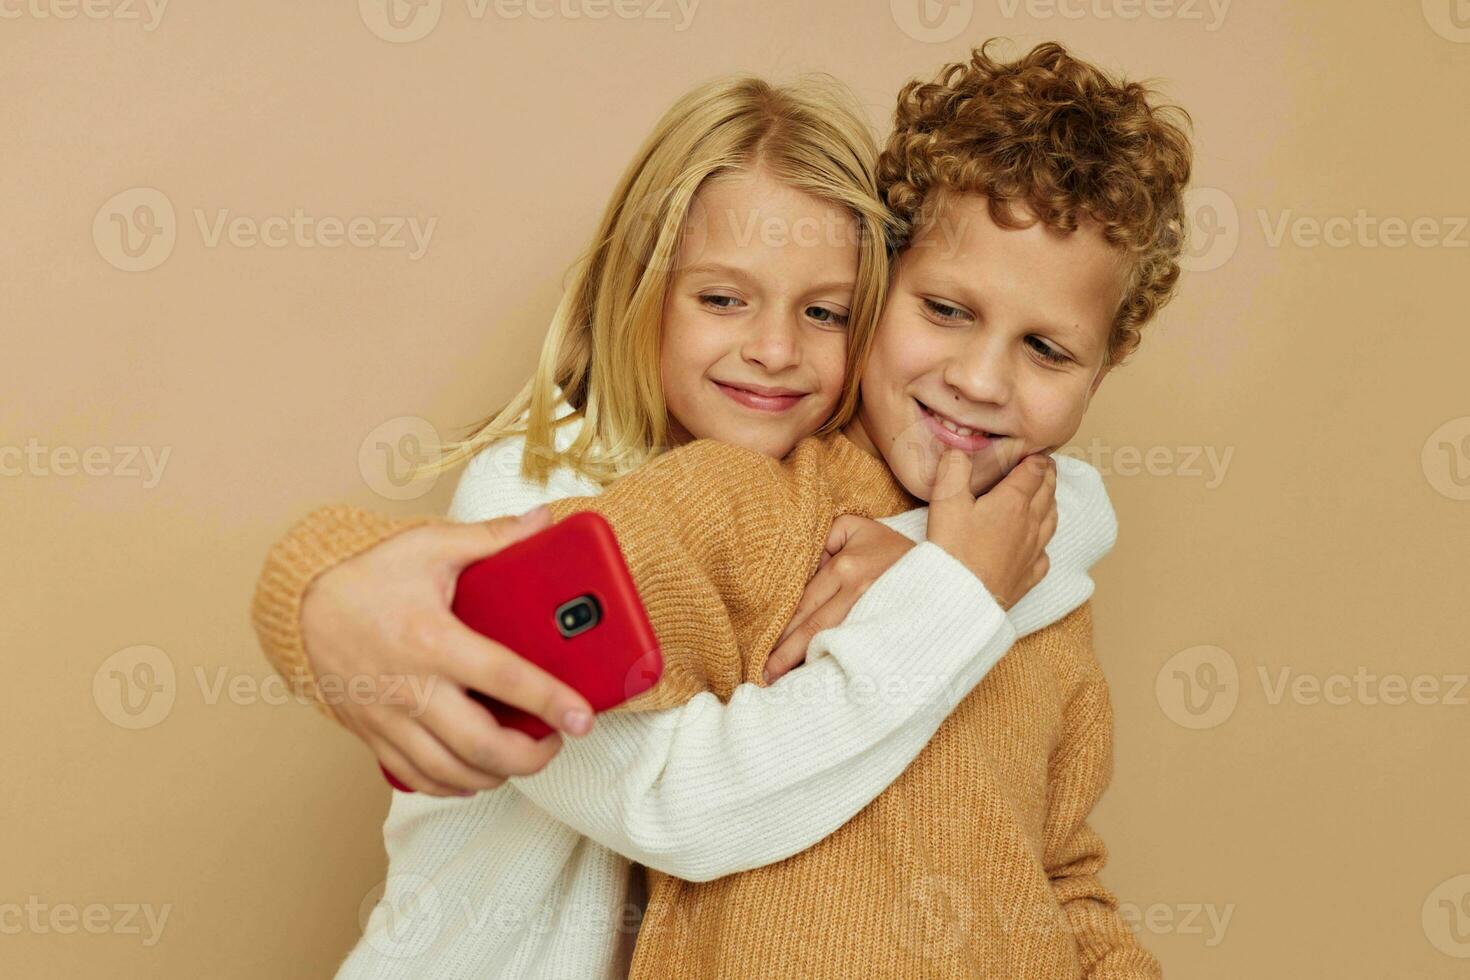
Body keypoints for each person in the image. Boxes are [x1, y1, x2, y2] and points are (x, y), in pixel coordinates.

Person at [253, 67, 1116, 977]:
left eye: (825, 312)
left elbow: (1062, 508)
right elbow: (678, 808)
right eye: (721, 298)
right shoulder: (539, 483)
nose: (775, 350)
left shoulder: (840, 504)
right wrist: (309, 590)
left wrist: (924, 565)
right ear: (642, 288)